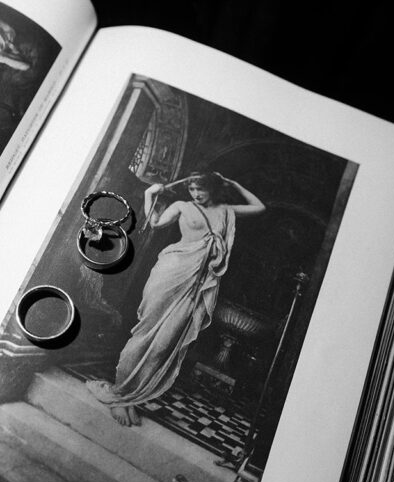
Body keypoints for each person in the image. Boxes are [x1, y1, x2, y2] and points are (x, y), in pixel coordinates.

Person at [86, 172, 265, 426]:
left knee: (163, 344)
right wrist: (149, 194)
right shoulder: (182, 206)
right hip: (170, 273)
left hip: (194, 284)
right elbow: (155, 222)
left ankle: (131, 399)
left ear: (213, 188)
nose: (196, 194)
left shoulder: (225, 210)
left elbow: (259, 207)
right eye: (192, 189)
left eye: (200, 189)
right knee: (145, 332)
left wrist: (233, 182)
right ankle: (119, 393)